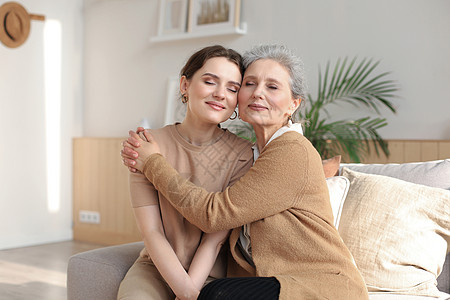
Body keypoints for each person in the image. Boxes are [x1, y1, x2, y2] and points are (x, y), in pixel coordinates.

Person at [121, 45, 369, 299]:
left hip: (317, 283)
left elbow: (214, 215)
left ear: (293, 105)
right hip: (274, 281)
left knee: (218, 294)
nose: (257, 93)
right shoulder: (255, 154)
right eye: (249, 84)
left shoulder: (291, 151)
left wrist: (152, 163)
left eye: (272, 87)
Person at [117, 45, 254, 300]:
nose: (220, 94)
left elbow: (215, 240)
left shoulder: (243, 154)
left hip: (211, 274)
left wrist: (188, 293)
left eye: (232, 88)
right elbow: (152, 232)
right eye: (210, 81)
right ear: (184, 85)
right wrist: (188, 294)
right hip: (155, 269)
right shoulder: (146, 144)